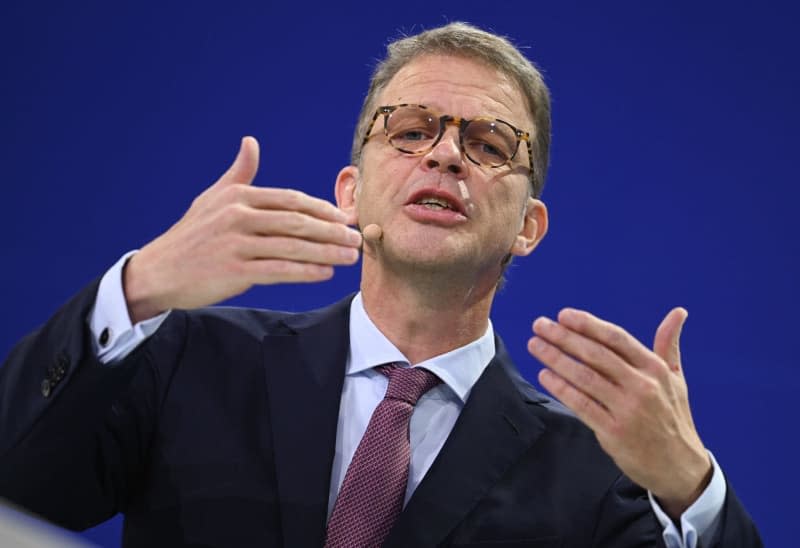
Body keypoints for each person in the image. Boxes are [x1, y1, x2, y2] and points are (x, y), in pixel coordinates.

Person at [0, 22, 761, 548]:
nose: (446, 157)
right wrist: (139, 287)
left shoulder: (595, 475)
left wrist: (691, 487)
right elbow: (21, 487)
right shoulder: (191, 361)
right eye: (409, 130)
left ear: (528, 226)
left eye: (489, 142)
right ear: (351, 192)